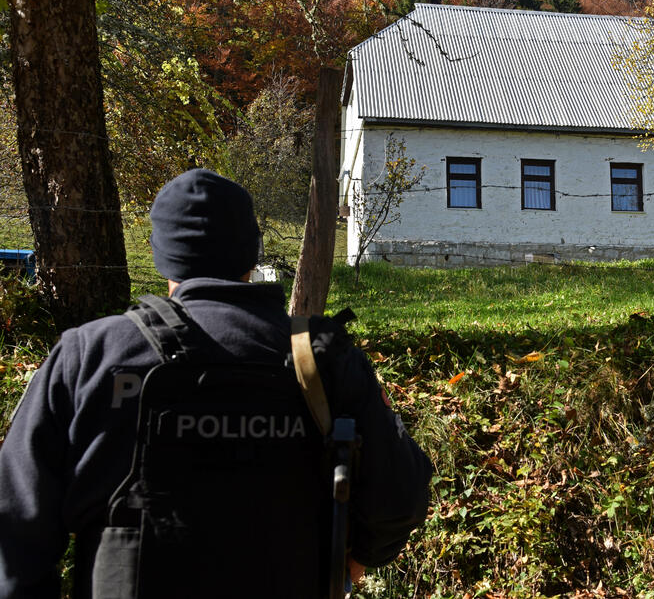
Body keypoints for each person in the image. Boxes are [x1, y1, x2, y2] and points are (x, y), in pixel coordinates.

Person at [0, 168, 433, 598]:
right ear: (251, 251)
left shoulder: (89, 355)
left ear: (161, 254)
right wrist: (345, 571)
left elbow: (16, 529)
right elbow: (401, 497)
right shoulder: (323, 357)